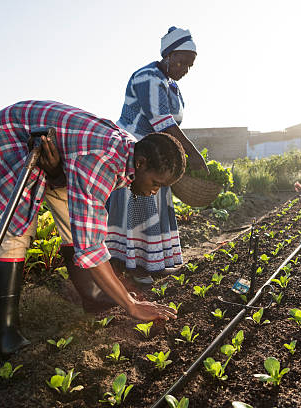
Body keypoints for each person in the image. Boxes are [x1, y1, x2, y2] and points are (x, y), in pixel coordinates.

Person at [0, 100, 179, 355]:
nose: (153, 191)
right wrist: (131, 305)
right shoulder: (100, 162)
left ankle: (92, 296)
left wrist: (56, 174)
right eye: (155, 183)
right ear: (140, 163)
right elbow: (92, 246)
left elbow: (84, 227)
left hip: (54, 152)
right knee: (17, 229)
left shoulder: (129, 151)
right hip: (7, 136)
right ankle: (6, 332)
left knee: (74, 225)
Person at [106, 26, 208, 285]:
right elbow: (162, 121)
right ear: (168, 55)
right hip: (135, 151)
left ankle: (154, 262)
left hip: (158, 152)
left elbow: (170, 125)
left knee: (153, 204)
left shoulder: (170, 84)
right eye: (182, 61)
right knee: (139, 206)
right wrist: (193, 154)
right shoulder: (148, 77)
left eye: (190, 65)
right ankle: (135, 266)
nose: (185, 68)